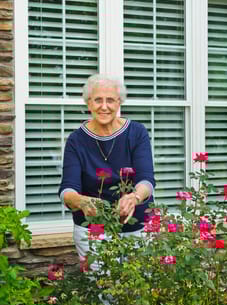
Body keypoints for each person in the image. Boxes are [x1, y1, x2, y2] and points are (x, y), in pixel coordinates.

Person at [58, 74, 155, 259]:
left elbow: (147, 180)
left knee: (140, 285)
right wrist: (82, 202)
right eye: (98, 100)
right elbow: (67, 189)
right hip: (93, 229)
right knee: (101, 285)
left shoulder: (136, 133)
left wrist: (134, 197)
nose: (104, 106)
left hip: (138, 228)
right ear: (88, 103)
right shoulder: (76, 140)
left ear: (119, 103)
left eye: (110, 100)